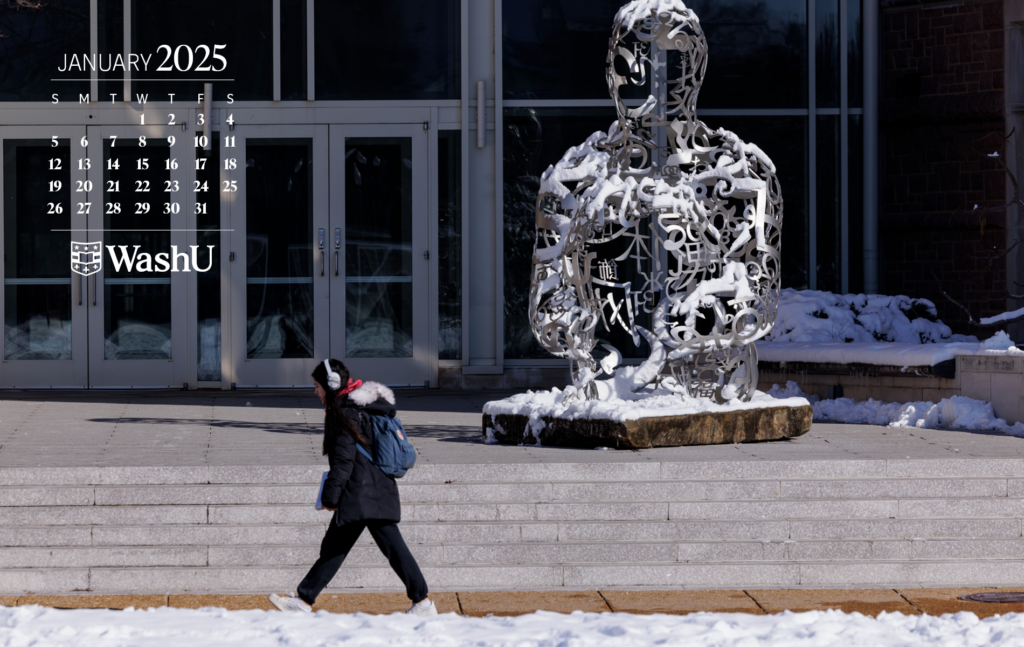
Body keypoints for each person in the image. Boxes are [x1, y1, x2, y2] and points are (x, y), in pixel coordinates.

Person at [269, 359, 436, 616]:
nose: (315, 391)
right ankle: (303, 601)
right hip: (373, 489)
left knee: (379, 549)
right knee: (341, 547)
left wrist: (330, 497)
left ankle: (422, 602)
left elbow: (343, 463)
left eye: (317, 386)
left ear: (331, 384)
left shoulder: (343, 413)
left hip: (362, 492)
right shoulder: (358, 407)